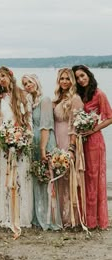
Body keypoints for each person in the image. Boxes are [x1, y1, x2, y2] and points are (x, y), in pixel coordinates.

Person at [0, 66, 33, 239]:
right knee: (5, 179)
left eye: (2, 77)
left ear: (9, 75)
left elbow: (28, 119)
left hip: (21, 141)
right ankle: (5, 215)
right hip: (4, 143)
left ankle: (22, 216)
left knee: (21, 178)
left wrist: (24, 138)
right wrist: (4, 138)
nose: (1, 80)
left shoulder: (23, 95)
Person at [72, 65, 112, 230]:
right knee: (83, 178)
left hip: (94, 141)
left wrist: (92, 129)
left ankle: (95, 220)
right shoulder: (79, 95)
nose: (81, 79)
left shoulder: (99, 94)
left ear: (88, 74)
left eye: (83, 75)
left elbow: (110, 117)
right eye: (78, 78)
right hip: (81, 141)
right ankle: (84, 218)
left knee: (94, 179)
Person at [22, 74, 62, 230]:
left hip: (45, 142)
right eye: (25, 83)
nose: (27, 85)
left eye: (30, 82)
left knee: (48, 178)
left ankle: (50, 218)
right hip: (35, 142)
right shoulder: (30, 102)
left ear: (36, 82)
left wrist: (43, 148)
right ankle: (38, 216)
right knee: (38, 178)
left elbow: (46, 126)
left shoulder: (45, 100)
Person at [52, 68, 86, 228]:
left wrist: (72, 148)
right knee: (59, 179)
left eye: (67, 79)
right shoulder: (58, 99)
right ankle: (61, 216)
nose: (64, 81)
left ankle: (72, 218)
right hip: (56, 139)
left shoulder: (75, 99)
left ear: (72, 81)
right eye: (61, 79)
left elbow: (75, 126)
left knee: (69, 178)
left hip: (67, 139)